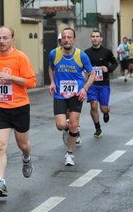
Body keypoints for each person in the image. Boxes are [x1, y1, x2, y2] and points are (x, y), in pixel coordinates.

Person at [0, 26, 36, 197]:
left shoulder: (20, 57)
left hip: (19, 107)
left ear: (12, 40)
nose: (1, 41)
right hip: (0, 108)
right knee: (0, 146)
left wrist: (11, 78)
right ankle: (1, 181)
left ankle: (26, 157)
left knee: (22, 144)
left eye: (5, 38)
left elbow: (31, 82)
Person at [48, 27, 95, 166]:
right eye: (64, 37)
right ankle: (71, 130)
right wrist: (52, 82)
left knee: (74, 123)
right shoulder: (53, 54)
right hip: (60, 94)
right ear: (61, 39)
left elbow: (91, 74)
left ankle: (69, 154)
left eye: (69, 37)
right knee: (61, 125)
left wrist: (85, 89)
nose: (66, 39)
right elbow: (51, 68)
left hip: (76, 94)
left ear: (74, 40)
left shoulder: (81, 56)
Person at [84, 30, 118, 138]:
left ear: (101, 39)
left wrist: (108, 69)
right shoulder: (86, 53)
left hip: (104, 84)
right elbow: (82, 65)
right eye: (93, 36)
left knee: (103, 108)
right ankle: (97, 128)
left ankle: (106, 112)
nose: (95, 38)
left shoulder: (106, 52)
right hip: (92, 84)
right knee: (93, 106)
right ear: (90, 39)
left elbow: (115, 63)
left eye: (97, 36)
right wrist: (84, 70)